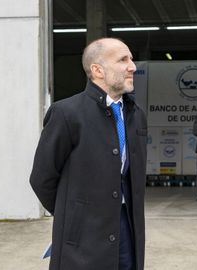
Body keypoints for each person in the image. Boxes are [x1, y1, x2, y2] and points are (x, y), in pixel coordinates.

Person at [30, 38, 147, 270]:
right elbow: (42, 178)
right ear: (97, 70)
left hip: (128, 230)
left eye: (131, 59)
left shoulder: (136, 115)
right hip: (82, 238)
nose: (132, 66)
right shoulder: (66, 114)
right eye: (123, 60)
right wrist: (74, 216)